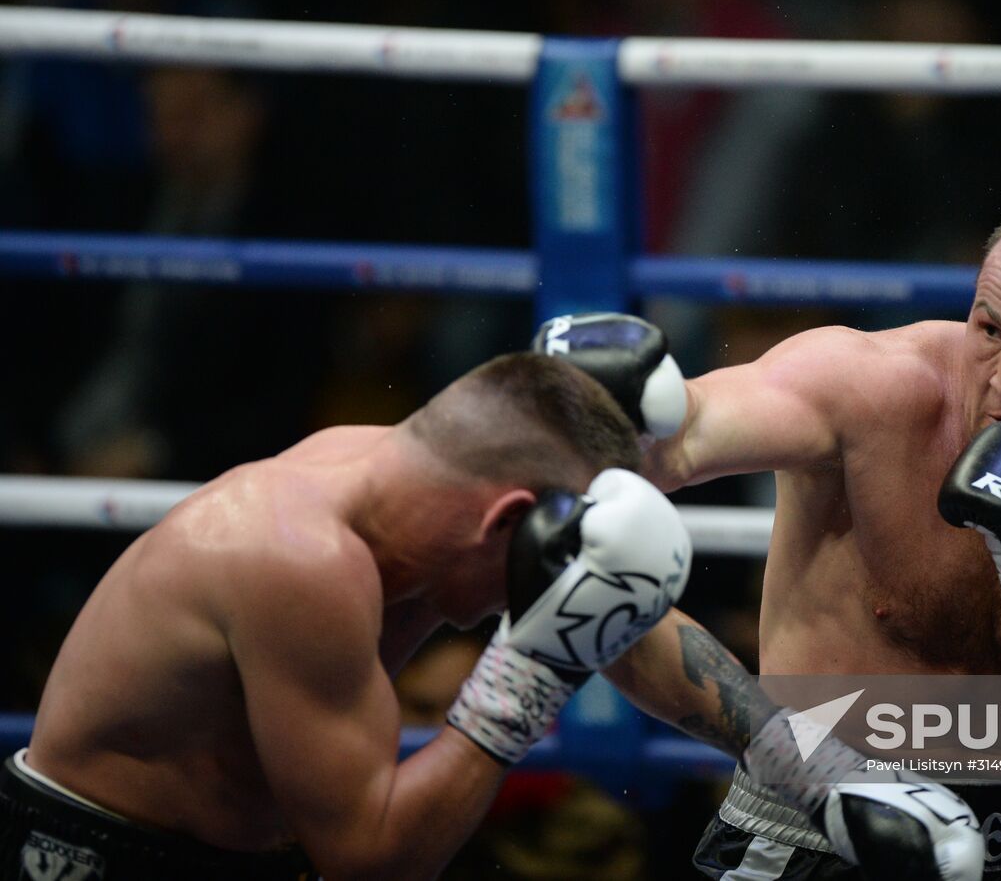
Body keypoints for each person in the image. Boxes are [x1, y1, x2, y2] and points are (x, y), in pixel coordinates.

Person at [538, 193, 1001, 880]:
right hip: (810, 833)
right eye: (989, 329)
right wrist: (633, 414)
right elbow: (691, 433)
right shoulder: (872, 385)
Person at [2, 352, 693, 881]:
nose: (519, 599)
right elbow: (371, 866)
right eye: (536, 565)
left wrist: (756, 737)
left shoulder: (398, 482)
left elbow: (609, 607)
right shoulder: (299, 559)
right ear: (507, 518)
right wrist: (532, 672)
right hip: (94, 858)